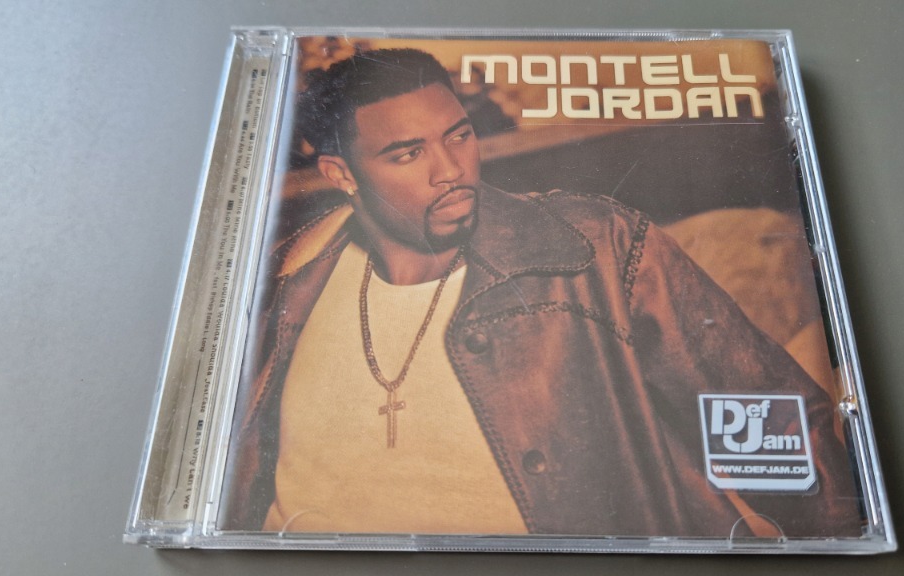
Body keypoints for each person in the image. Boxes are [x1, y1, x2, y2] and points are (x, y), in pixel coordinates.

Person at [219, 48, 861, 538]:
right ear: (341, 174)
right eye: (408, 154)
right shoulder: (286, 279)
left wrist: (830, 548)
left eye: (459, 135)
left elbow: (777, 424)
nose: (450, 170)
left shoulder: (597, 248)